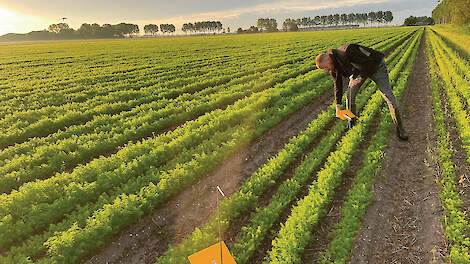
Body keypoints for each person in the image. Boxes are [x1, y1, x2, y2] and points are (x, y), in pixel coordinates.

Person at [315, 43, 408, 140]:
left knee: (387, 95)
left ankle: (400, 129)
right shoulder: (333, 67)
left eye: (325, 68)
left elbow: (369, 62)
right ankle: (351, 123)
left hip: (376, 66)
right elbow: (337, 86)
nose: (326, 70)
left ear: (328, 60)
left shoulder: (348, 51)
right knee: (350, 96)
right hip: (359, 72)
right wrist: (338, 107)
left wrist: (359, 78)